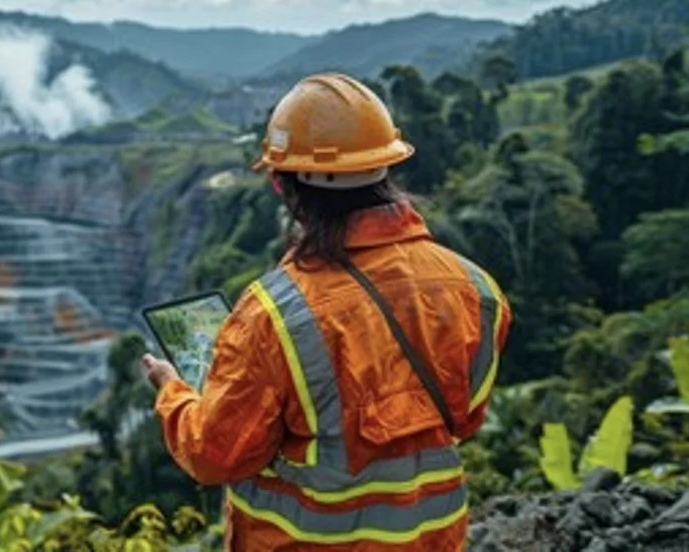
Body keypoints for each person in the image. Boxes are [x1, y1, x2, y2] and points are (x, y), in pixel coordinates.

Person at [141, 72, 512, 551]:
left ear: (280, 184)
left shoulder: (272, 316)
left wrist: (172, 391)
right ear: (387, 169)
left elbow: (215, 456)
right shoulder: (476, 290)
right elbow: (464, 419)